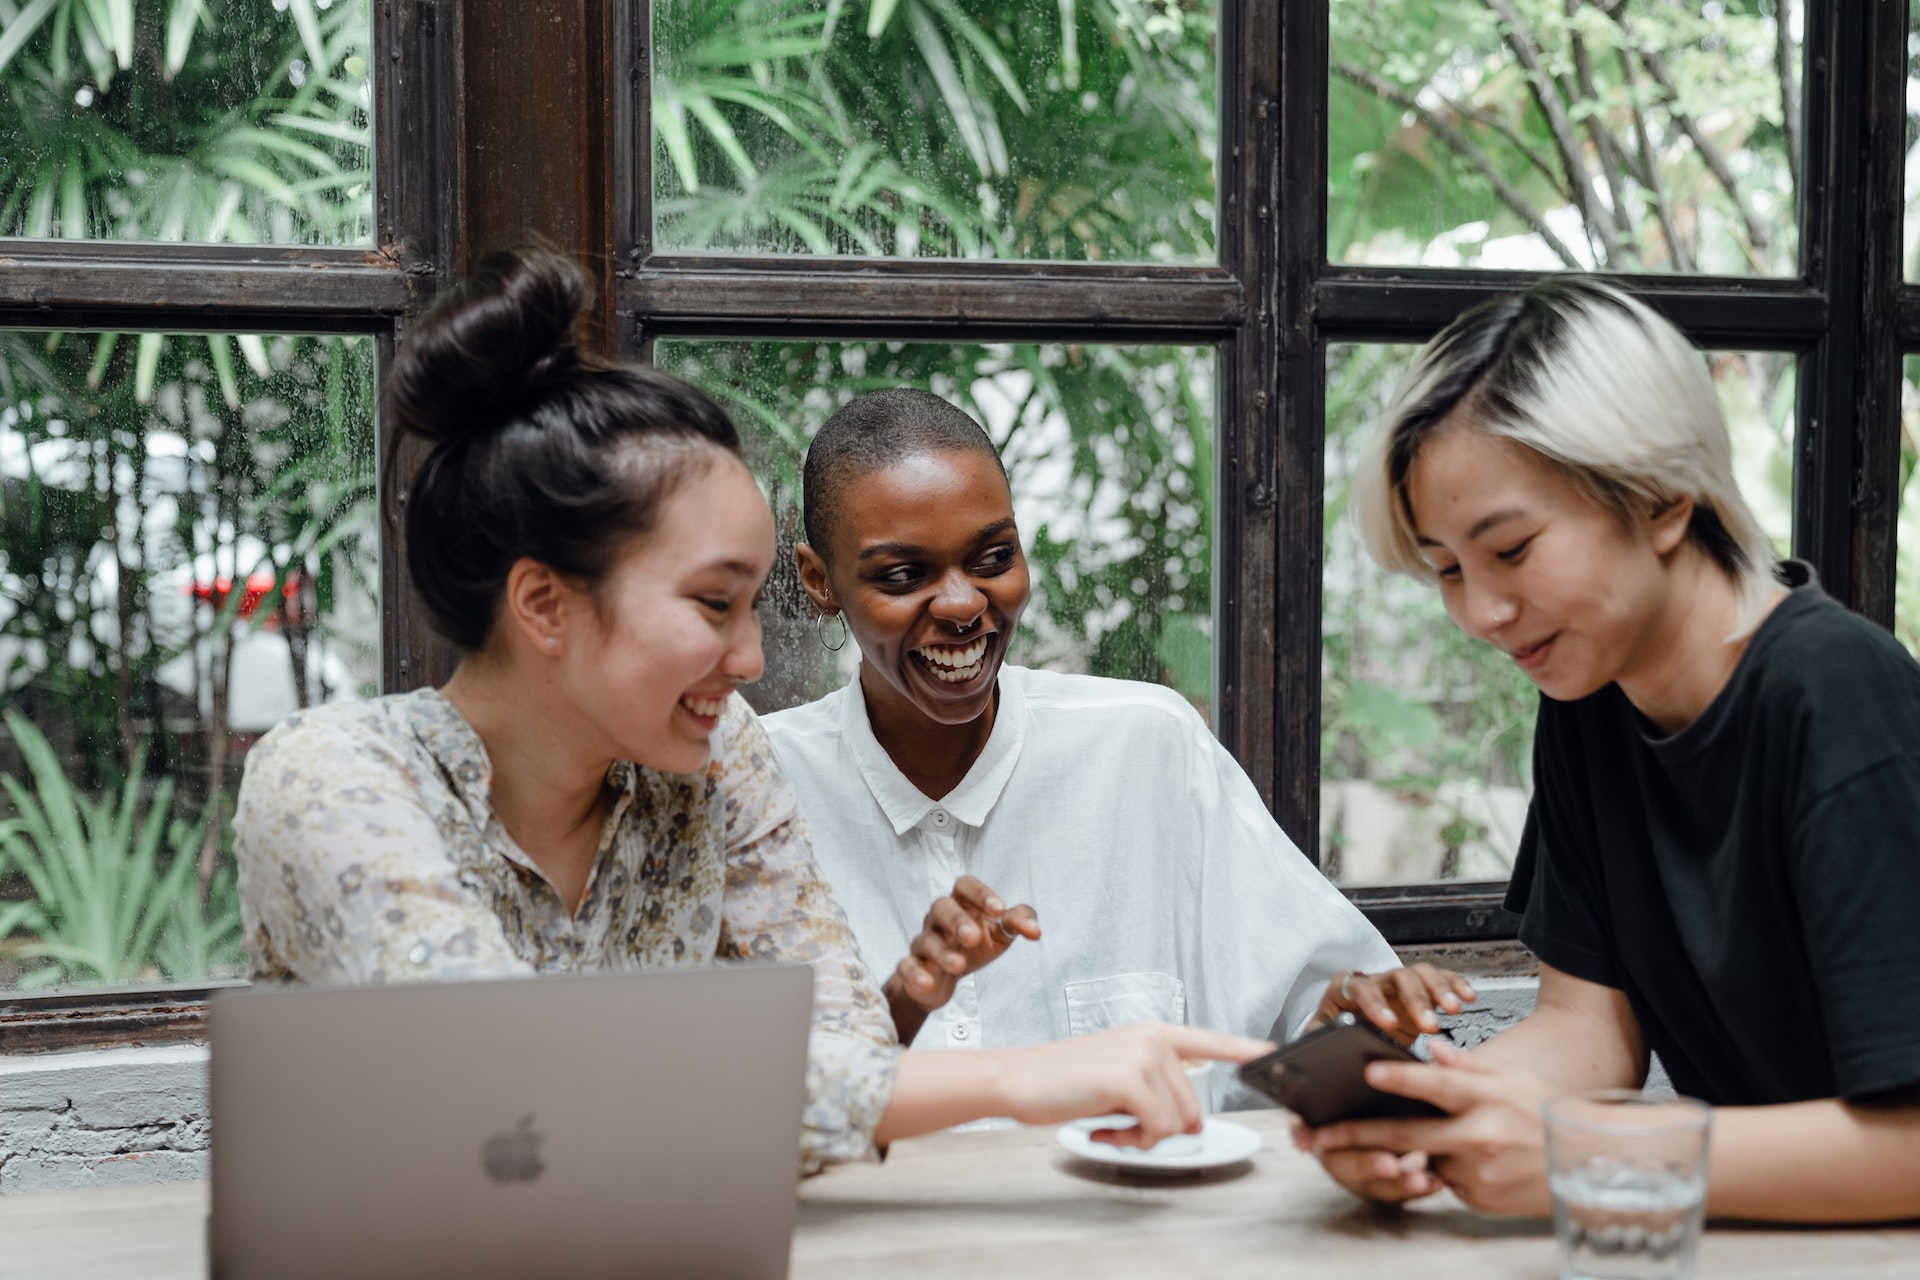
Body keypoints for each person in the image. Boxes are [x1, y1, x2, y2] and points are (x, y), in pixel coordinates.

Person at [230, 248, 1272, 1175]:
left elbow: (848, 1060)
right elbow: (510, 1074)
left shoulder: (713, 759)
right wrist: (1018, 1079)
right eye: (713, 603)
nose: (752, 657)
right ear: (544, 602)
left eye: (756, 601)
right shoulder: (333, 778)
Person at [1300, 278, 1920, 1222]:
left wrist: (1582, 1157)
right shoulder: (1591, 694)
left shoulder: (1836, 694)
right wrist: (1424, 1114)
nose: (1481, 613)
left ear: (1663, 498)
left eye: (1510, 551)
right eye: (1448, 571)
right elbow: (1588, 1032)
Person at [762, 388, 1474, 1112]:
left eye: (993, 557)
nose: (962, 605)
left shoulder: (1148, 748)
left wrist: (1347, 1021)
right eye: (903, 576)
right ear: (820, 580)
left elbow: (1308, 1013)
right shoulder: (763, 790)